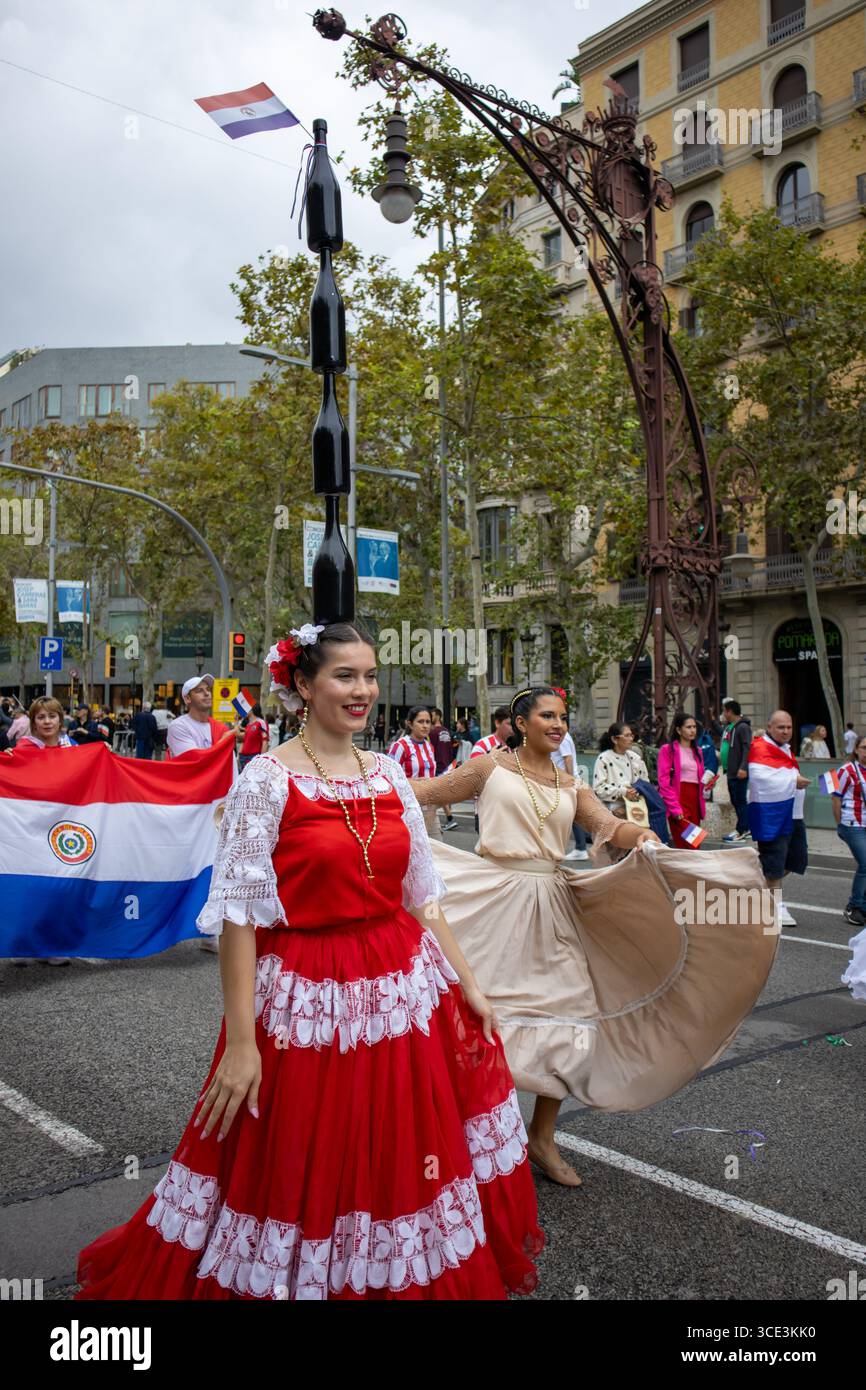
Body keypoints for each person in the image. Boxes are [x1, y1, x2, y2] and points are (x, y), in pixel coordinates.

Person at [75, 619, 543, 1301]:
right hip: (303, 997)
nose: (363, 691)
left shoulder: (386, 772)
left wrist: (470, 985)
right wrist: (241, 1043)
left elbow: (424, 898)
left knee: (397, 1150)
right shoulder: (264, 781)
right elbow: (239, 917)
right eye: (344, 676)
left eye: (370, 675)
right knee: (304, 1154)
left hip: (401, 992)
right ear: (302, 684)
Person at [411, 686, 777, 1189]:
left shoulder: (570, 783)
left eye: (562, 716)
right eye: (546, 716)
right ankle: (457, 1134)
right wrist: (357, 782)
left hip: (551, 902)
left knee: (569, 1015)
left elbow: (606, 825)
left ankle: (541, 1136)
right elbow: (426, 792)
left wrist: (641, 836)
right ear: (521, 723)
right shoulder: (489, 767)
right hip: (491, 896)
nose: (558, 724)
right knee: (472, 1015)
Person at [167, 674, 240, 954]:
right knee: (191, 863)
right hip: (190, 805)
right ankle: (182, 921)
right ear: (187, 699)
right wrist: (224, 742)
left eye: (208, 690)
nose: (207, 694)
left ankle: (212, 929)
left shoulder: (219, 727)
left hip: (219, 803)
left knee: (218, 861)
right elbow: (195, 764)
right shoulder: (178, 727)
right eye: (199, 691)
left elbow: (227, 766)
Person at [747, 710, 811, 929]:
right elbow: (759, 776)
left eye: (789, 727)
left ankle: (754, 880)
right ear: (769, 726)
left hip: (793, 812)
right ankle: (776, 906)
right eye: (781, 727)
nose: (786, 731)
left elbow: (781, 773)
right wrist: (794, 780)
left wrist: (793, 781)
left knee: (795, 859)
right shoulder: (760, 747)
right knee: (775, 861)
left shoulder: (785, 749)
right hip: (771, 814)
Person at [387, 707, 442, 840]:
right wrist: (413, 782)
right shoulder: (400, 746)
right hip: (409, 809)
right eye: (420, 721)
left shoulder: (429, 746)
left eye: (428, 722)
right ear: (410, 724)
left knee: (437, 848)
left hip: (430, 807)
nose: (425, 726)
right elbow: (388, 778)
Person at [830, 733, 866, 928]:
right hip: (853, 824)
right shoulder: (847, 770)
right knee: (865, 862)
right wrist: (840, 824)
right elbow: (835, 797)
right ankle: (855, 906)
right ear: (856, 749)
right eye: (864, 748)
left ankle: (863, 905)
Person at [656, 711, 706, 849]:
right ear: (678, 729)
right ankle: (686, 869)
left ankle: (691, 870)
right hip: (678, 800)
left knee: (696, 843)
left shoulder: (698, 751)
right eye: (688, 727)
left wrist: (707, 784)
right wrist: (674, 807)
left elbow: (699, 778)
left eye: (694, 727)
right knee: (687, 843)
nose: (692, 730)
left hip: (695, 800)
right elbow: (664, 781)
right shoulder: (667, 750)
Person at [592, 721, 649, 811]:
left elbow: (646, 783)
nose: (631, 739)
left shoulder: (635, 758)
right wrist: (623, 792)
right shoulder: (604, 758)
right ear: (615, 739)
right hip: (612, 811)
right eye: (627, 735)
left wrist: (637, 791)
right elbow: (598, 788)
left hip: (637, 809)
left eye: (632, 735)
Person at [721, 700, 753, 843]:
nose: (723, 714)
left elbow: (747, 748)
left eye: (724, 711)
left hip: (739, 772)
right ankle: (743, 827)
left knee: (740, 801)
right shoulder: (731, 727)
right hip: (731, 771)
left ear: (729, 711)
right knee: (735, 800)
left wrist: (743, 767)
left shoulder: (743, 727)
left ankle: (743, 829)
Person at [429, 709, 459, 831]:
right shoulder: (446, 731)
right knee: (440, 793)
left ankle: (448, 818)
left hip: (438, 765)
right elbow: (453, 746)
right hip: (448, 765)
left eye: (432, 715)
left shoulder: (432, 732)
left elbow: (430, 749)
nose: (431, 717)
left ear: (437, 716)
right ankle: (447, 818)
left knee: (436, 793)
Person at [238, 703, 270, 772]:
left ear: (251, 710)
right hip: (243, 758)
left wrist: (261, 759)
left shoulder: (261, 723)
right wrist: (239, 754)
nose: (244, 711)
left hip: (253, 758)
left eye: (246, 709)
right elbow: (244, 740)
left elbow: (265, 741)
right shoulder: (248, 724)